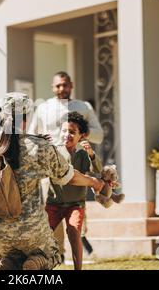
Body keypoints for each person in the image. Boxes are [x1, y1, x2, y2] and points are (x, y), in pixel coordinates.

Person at [0, 92, 106, 270]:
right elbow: (69, 177)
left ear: (2, 116)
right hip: (33, 234)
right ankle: (36, 261)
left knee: (10, 255)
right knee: (52, 253)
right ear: (27, 117)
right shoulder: (39, 146)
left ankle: (6, 263)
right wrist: (94, 182)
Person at [28, 71, 104, 259]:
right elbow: (30, 137)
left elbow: (99, 135)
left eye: (65, 85)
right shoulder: (43, 108)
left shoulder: (83, 107)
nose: (62, 89)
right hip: (50, 167)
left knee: (74, 212)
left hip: (75, 164)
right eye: (58, 85)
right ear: (52, 87)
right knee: (50, 209)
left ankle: (78, 246)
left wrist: (80, 133)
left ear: (71, 85)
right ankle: (58, 254)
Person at [45, 112, 102, 270]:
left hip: (75, 204)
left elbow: (98, 170)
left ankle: (78, 268)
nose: (67, 135)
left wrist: (91, 153)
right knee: (44, 235)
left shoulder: (83, 154)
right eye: (64, 131)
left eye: (72, 132)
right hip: (53, 204)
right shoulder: (54, 151)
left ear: (81, 136)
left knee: (73, 231)